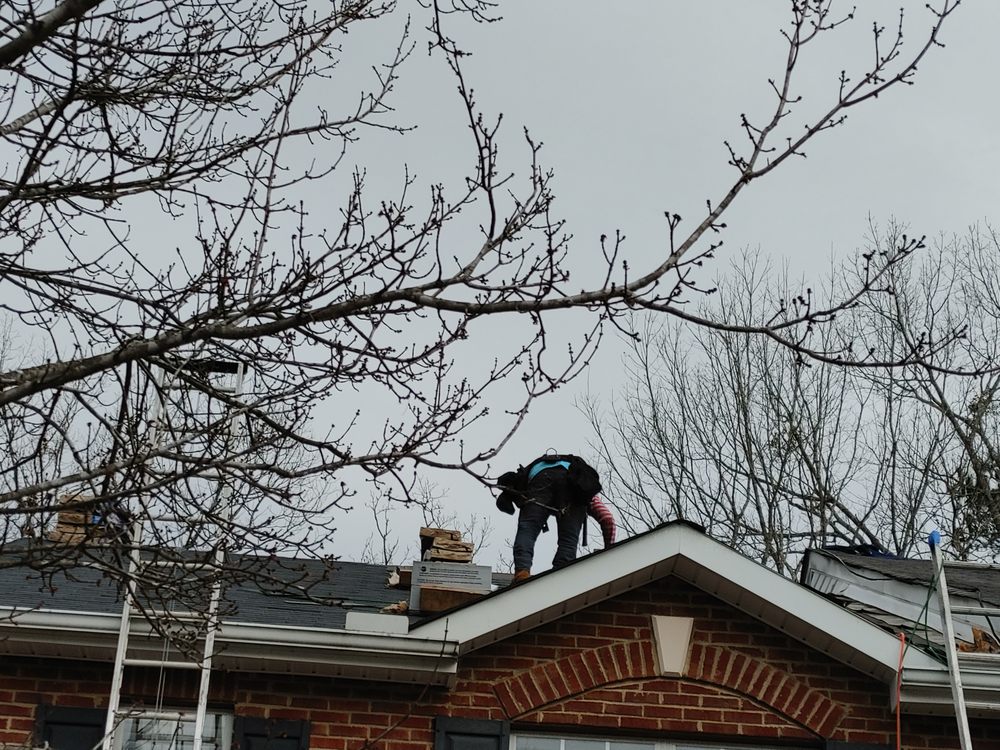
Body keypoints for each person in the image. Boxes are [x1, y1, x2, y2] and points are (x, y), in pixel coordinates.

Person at [496, 454, 616, 583]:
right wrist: (609, 553)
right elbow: (607, 519)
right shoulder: (582, 487)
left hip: (540, 480)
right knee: (569, 539)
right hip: (571, 488)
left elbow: (526, 525)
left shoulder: (525, 481)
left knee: (528, 529)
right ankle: (560, 578)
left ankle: (522, 573)